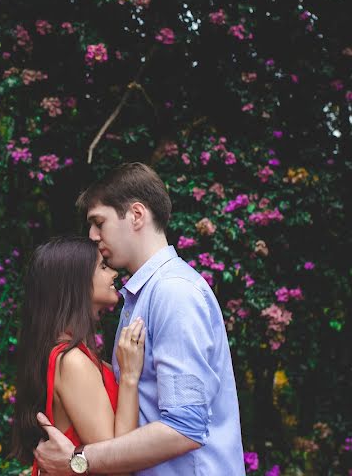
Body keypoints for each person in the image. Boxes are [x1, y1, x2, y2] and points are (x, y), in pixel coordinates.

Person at [34, 163, 245, 475]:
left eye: (99, 222)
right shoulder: (140, 296)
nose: (92, 236)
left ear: (136, 215)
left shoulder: (174, 293)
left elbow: (184, 427)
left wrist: (79, 460)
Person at [11, 236, 148, 475]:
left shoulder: (74, 356)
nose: (114, 273)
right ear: (76, 283)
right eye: (103, 267)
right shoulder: (72, 361)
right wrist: (129, 377)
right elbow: (115, 464)